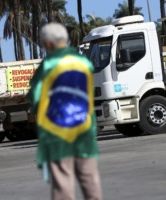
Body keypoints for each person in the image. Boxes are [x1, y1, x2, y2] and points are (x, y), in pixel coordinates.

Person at [28, 23, 102, 200]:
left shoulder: (48, 65)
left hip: (58, 133)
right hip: (84, 129)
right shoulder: (84, 62)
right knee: (89, 177)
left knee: (63, 182)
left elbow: (36, 96)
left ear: (48, 43)